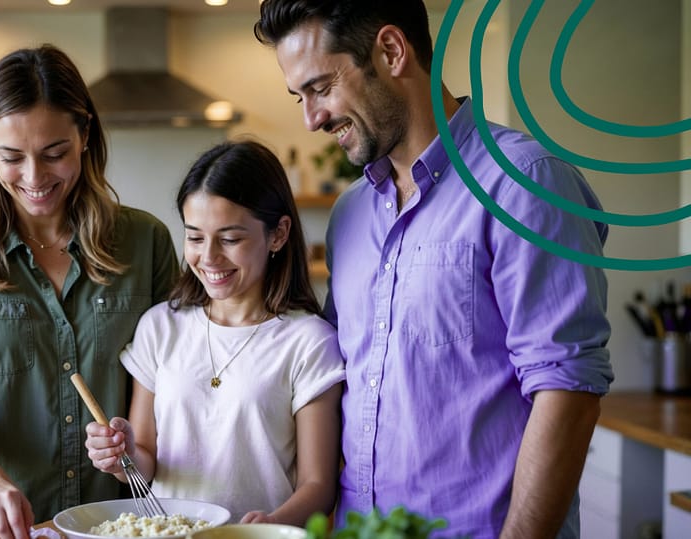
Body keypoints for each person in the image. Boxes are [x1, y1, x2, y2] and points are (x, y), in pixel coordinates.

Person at [254, 2, 614, 538]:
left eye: (321, 87)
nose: (312, 118)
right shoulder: (350, 216)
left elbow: (568, 391)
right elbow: (334, 385)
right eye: (300, 97)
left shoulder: (524, 185)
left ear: (392, 51)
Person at [0, 44, 179, 539]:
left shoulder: (147, 243)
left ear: (86, 137)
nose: (34, 178)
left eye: (55, 154)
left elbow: (166, 387)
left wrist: (132, 445)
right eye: (12, 157)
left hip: (110, 525)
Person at [84, 140, 344, 525]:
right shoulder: (160, 327)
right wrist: (121, 455)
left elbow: (319, 485)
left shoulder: (309, 342)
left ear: (278, 233)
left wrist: (269, 527)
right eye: (195, 236)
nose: (208, 258)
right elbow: (144, 462)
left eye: (230, 238)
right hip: (167, 533)